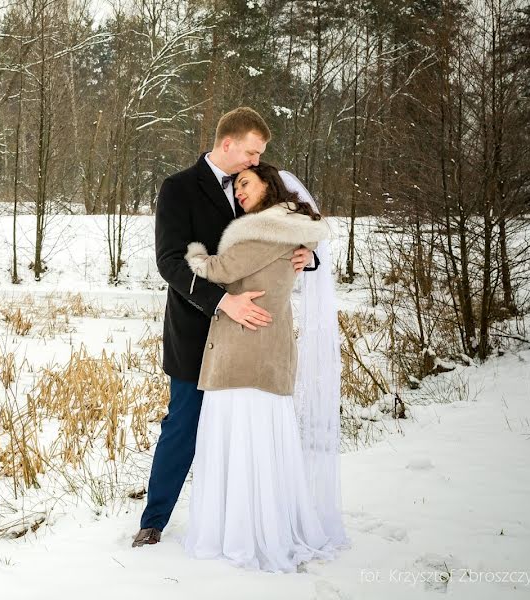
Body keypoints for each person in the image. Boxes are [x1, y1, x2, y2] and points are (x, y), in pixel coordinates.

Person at [132, 108, 316, 548]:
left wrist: (308, 253)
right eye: (252, 151)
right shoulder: (178, 188)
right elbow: (170, 262)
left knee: (248, 432)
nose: (256, 161)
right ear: (228, 143)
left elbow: (293, 222)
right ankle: (154, 520)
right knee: (184, 426)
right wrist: (221, 302)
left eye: (260, 155)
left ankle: (243, 519)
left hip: (253, 339)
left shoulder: (256, 186)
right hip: (197, 331)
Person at [181, 162, 346, 571]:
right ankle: (262, 521)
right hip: (266, 349)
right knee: (259, 440)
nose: (239, 192)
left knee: (240, 438)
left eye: (246, 184)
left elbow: (222, 269)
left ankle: (244, 531)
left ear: (268, 186)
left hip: (245, 352)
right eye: (236, 186)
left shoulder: (265, 228)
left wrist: (195, 255)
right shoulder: (288, 227)